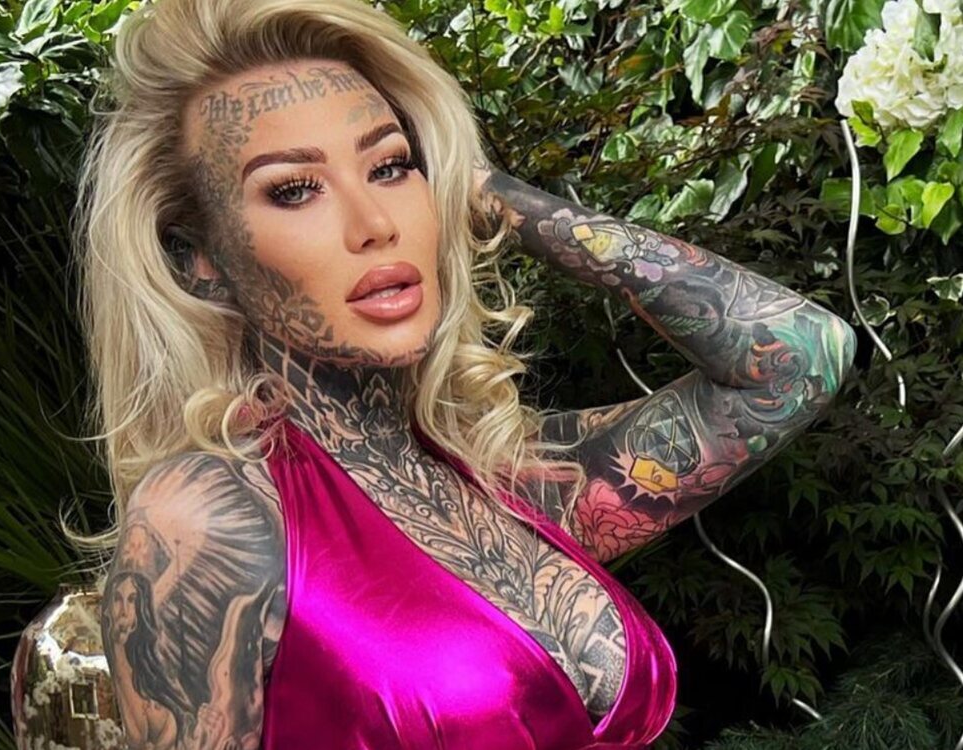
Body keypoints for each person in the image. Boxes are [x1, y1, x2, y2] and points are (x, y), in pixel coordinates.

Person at [74, 0, 857, 747]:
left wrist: (476, 188)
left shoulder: (501, 475)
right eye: (295, 189)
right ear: (201, 259)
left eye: (390, 167)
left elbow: (799, 357)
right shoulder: (211, 516)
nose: (374, 224)